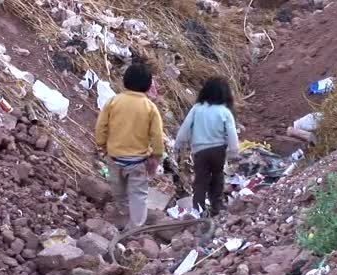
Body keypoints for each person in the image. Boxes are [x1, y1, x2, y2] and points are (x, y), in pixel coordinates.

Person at [95, 63, 164, 228]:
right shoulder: (150, 108)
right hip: (138, 162)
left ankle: (122, 218)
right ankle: (135, 227)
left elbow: (101, 127)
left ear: (125, 81)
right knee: (138, 195)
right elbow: (156, 136)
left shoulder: (113, 102)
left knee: (119, 192)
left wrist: (102, 146)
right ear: (148, 86)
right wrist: (156, 156)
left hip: (114, 158)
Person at [174, 77, 239, 216]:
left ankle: (198, 209)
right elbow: (232, 133)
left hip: (200, 151)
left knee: (201, 180)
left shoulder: (197, 109)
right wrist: (234, 151)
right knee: (217, 176)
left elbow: (185, 127)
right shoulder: (224, 111)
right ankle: (217, 205)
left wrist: (178, 144)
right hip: (218, 150)